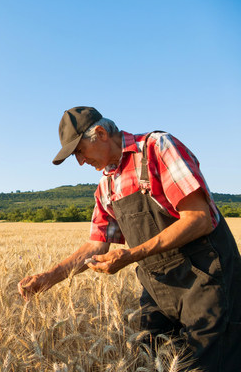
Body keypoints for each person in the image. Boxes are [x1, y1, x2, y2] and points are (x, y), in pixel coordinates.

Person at [18, 106, 241, 371]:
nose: (80, 162)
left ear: (100, 133)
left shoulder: (157, 148)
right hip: (158, 289)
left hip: (206, 281)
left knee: (209, 364)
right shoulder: (107, 186)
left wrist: (132, 255)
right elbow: (96, 244)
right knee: (145, 359)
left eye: (79, 151)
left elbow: (198, 218)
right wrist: (47, 279)